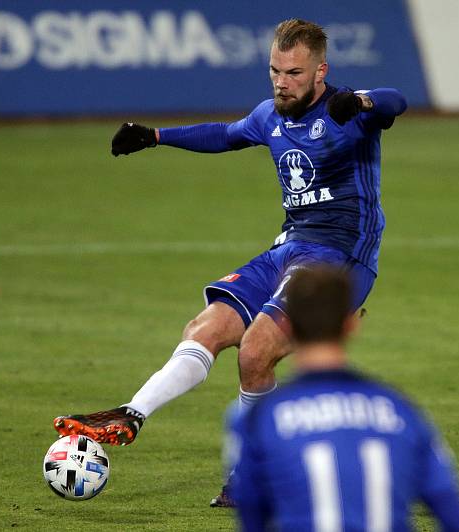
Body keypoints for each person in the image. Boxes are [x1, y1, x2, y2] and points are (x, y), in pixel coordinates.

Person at [53, 18, 408, 506]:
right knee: (205, 328)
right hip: (290, 247)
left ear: (320, 71)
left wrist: (363, 101)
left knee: (255, 351)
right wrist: (155, 136)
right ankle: (131, 414)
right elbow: (226, 134)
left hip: (340, 256)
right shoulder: (270, 115)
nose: (282, 82)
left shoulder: (348, 110)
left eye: (294, 73)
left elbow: (395, 100)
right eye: (275, 71)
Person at [227, 266, 459, 531]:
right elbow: (453, 514)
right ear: (351, 324)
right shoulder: (401, 410)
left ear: (287, 325)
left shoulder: (257, 418)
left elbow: (251, 515)